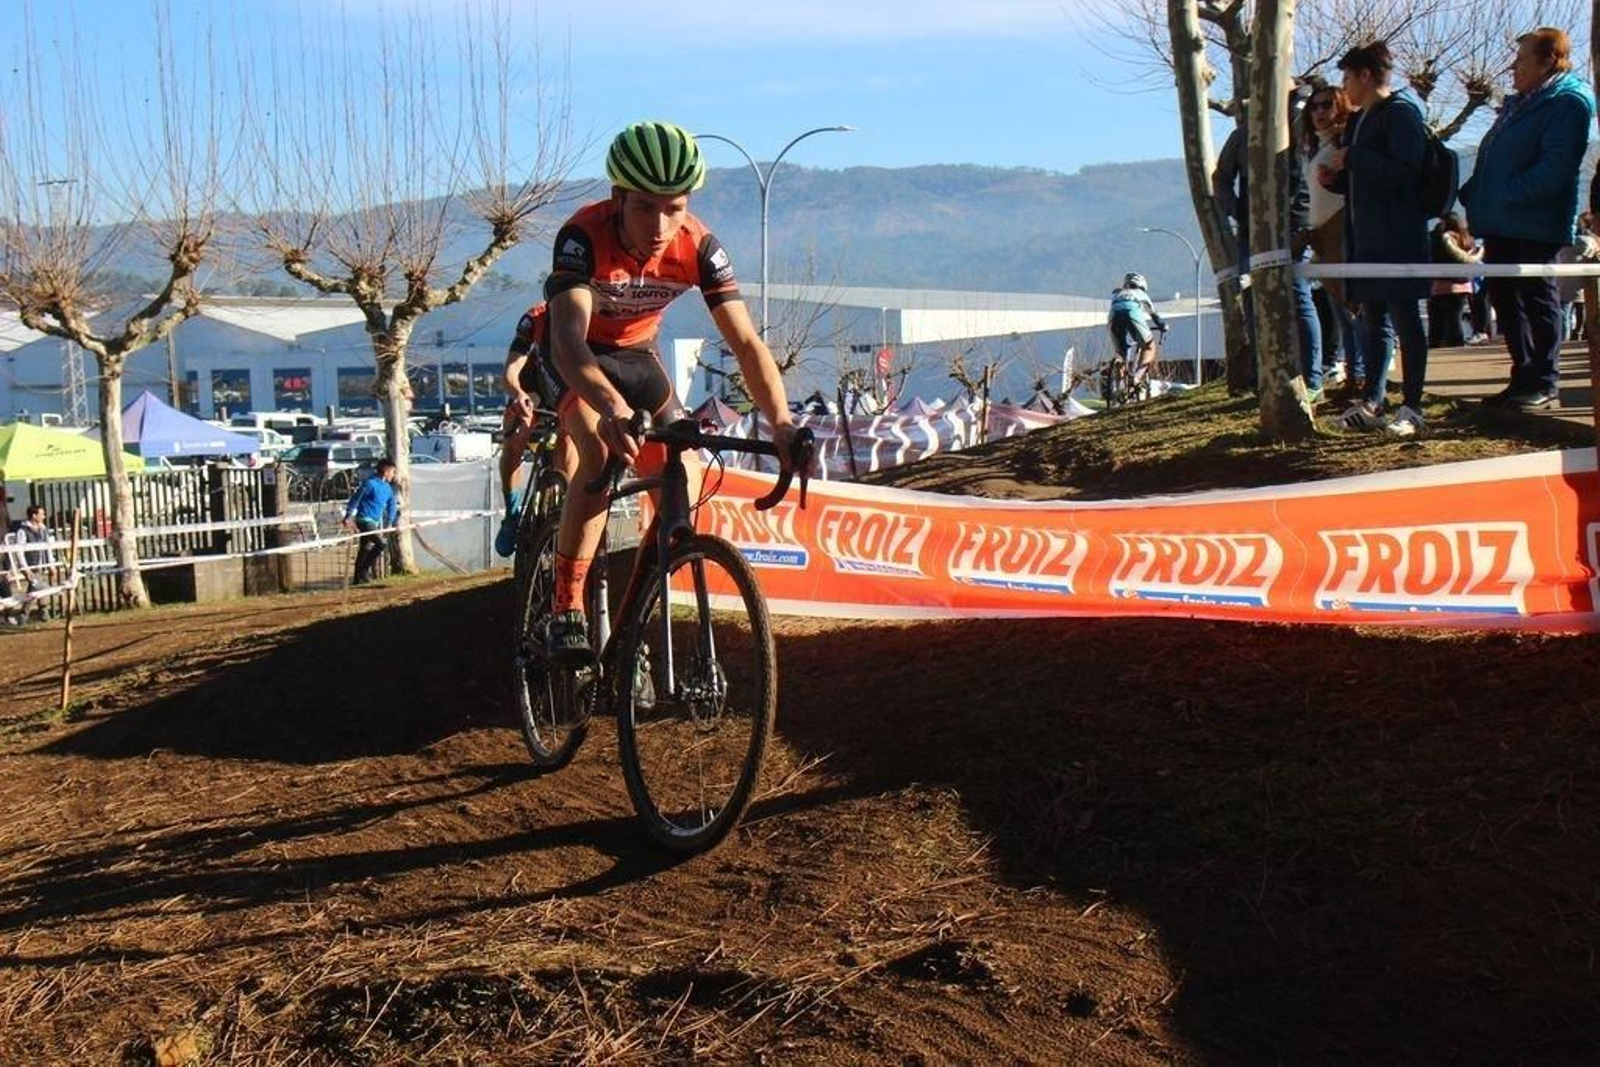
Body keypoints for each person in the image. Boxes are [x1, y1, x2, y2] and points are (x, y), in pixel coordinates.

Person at [544, 120, 800, 666]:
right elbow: (567, 340)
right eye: (644, 208)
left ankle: (632, 620)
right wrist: (611, 408)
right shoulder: (582, 236)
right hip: (578, 357)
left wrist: (781, 422)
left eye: (674, 207)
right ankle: (566, 605)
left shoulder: (698, 246)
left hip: (637, 358)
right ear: (617, 199)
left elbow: (747, 343)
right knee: (596, 451)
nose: (660, 225)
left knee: (678, 477)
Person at [1460, 27, 1595, 409]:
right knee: (1505, 297)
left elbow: (1556, 167)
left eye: (1521, 59)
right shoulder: (1520, 104)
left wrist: (1504, 194)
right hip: (1503, 220)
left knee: (1537, 298)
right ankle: (1522, 376)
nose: (1512, 67)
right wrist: (1476, 190)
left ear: (1548, 59)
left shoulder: (1566, 103)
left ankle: (1544, 379)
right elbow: (1498, 157)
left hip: (1535, 223)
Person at [1321, 39, 1432, 437]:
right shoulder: (1362, 118)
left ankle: (1414, 405)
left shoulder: (1401, 113)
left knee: (1405, 319)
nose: (1345, 87)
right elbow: (1369, 177)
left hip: (1397, 236)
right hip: (1366, 237)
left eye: (1348, 77)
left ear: (1366, 75)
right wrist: (1339, 179)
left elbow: (1406, 170)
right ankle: (1374, 400)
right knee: (1374, 321)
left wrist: (1355, 159)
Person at [494, 301, 576, 558]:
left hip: (569, 389)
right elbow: (510, 371)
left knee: (571, 439)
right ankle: (512, 512)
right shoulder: (535, 319)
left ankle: (567, 506)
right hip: (533, 388)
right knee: (515, 438)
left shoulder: (593, 316)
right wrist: (517, 393)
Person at [1300, 78, 1365, 394]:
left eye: (1327, 104)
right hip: (1322, 235)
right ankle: (1354, 376)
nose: (1320, 111)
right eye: (1314, 106)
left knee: (1353, 310)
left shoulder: (1344, 144)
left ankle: (1362, 374)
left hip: (1341, 231)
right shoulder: (1319, 147)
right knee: (1341, 312)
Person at [341, 459, 400, 585]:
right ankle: (363, 571)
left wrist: (390, 521)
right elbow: (356, 498)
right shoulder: (370, 484)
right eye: (393, 472)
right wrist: (348, 515)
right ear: (386, 471)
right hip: (364, 520)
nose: (393, 475)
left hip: (375, 521)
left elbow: (392, 505)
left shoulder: (387, 487)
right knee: (381, 544)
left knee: (364, 549)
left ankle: (357, 579)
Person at [1428, 214, 1482, 349]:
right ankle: (1457, 344)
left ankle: (1435, 345)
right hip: (1464, 285)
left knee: (1436, 319)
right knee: (1454, 318)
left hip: (1441, 285)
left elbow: (1434, 256)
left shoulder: (1441, 239)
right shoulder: (1467, 239)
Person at [1106, 273, 1168, 382]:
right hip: (1132, 314)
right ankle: (1137, 377)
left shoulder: (1117, 293)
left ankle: (1118, 387)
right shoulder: (1140, 293)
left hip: (1113, 317)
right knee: (1149, 347)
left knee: (1121, 353)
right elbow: (1154, 316)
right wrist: (1162, 326)